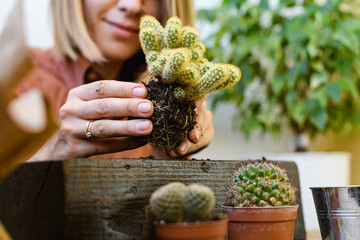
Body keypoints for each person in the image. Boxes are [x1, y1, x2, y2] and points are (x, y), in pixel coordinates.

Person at [13, 0, 214, 161]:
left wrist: (184, 143)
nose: (132, 5)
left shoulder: (168, 92)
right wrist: (51, 155)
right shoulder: (14, 77)